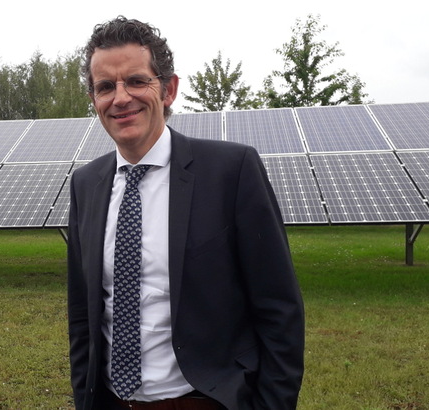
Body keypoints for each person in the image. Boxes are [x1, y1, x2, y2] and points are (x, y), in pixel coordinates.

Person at [67, 16, 304, 410]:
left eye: (137, 81)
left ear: (169, 89)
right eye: (105, 87)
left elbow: (279, 310)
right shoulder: (86, 184)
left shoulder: (231, 171)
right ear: (94, 99)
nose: (120, 98)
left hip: (205, 400)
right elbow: (82, 316)